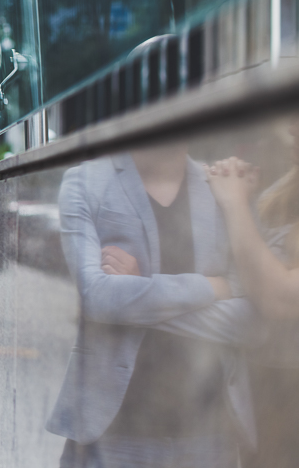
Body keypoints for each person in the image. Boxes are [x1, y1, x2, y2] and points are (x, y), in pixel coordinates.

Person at [46, 142, 257, 467]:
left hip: (209, 435)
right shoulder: (85, 181)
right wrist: (213, 287)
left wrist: (137, 290)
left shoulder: (221, 188)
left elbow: (251, 320)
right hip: (113, 436)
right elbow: (99, 299)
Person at [206, 119, 299, 468]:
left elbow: (280, 297)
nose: (291, 127)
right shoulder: (282, 192)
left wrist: (234, 203)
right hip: (261, 384)